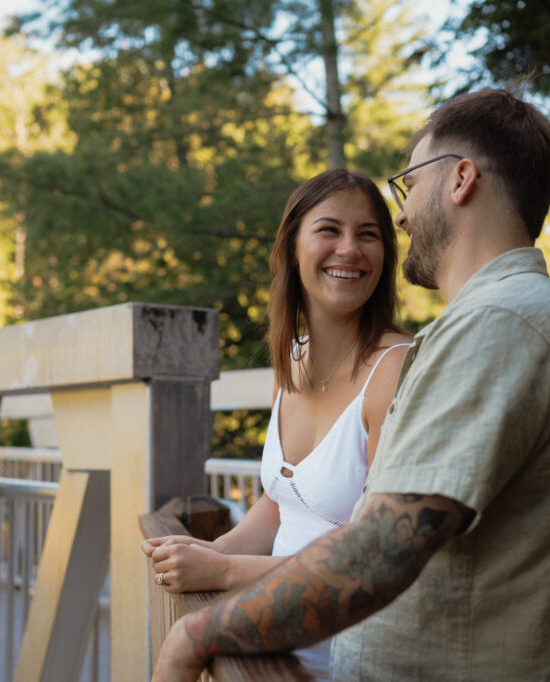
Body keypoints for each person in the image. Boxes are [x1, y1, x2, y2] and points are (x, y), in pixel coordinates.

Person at [151, 88, 550, 682]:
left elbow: (379, 551)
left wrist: (198, 633)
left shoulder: (497, 325)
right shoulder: (506, 320)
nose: (401, 215)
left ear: (461, 180)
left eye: (409, 185)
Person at [142, 168, 412, 680]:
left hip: (343, 660)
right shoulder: (295, 358)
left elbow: (372, 563)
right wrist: (210, 550)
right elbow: (279, 503)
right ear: (292, 248)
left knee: (183, 646)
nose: (350, 249)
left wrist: (221, 570)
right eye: (329, 230)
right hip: (271, 643)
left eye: (368, 234)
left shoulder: (395, 370)